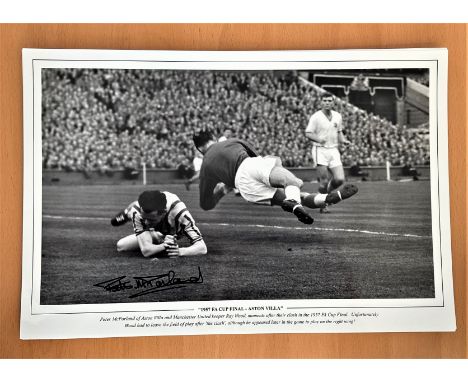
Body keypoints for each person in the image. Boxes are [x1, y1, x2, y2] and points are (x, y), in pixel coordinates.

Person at [193, 130, 357, 225]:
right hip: (251, 164)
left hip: (243, 186)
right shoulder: (231, 141)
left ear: (200, 150)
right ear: (213, 138)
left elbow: (205, 204)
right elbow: (258, 156)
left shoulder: (205, 165)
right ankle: (298, 201)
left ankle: (328, 198)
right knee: (292, 182)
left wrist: (222, 191)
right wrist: (273, 169)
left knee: (294, 197)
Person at [110, 190, 207, 257]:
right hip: (156, 227)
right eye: (145, 218)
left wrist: (180, 251)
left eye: (151, 219)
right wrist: (165, 245)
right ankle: (127, 213)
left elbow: (202, 248)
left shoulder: (180, 213)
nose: (147, 222)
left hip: (171, 228)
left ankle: (158, 236)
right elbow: (146, 251)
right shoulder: (138, 210)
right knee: (121, 245)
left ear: (163, 213)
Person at [305, 92, 351, 213]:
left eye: (329, 101)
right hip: (319, 150)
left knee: (340, 179)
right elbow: (308, 133)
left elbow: (339, 131)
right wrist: (319, 139)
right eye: (324, 100)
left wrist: (344, 141)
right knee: (323, 182)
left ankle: (327, 194)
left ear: (333, 102)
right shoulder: (315, 117)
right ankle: (323, 205)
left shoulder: (337, 116)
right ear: (321, 102)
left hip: (333, 150)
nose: (327, 103)